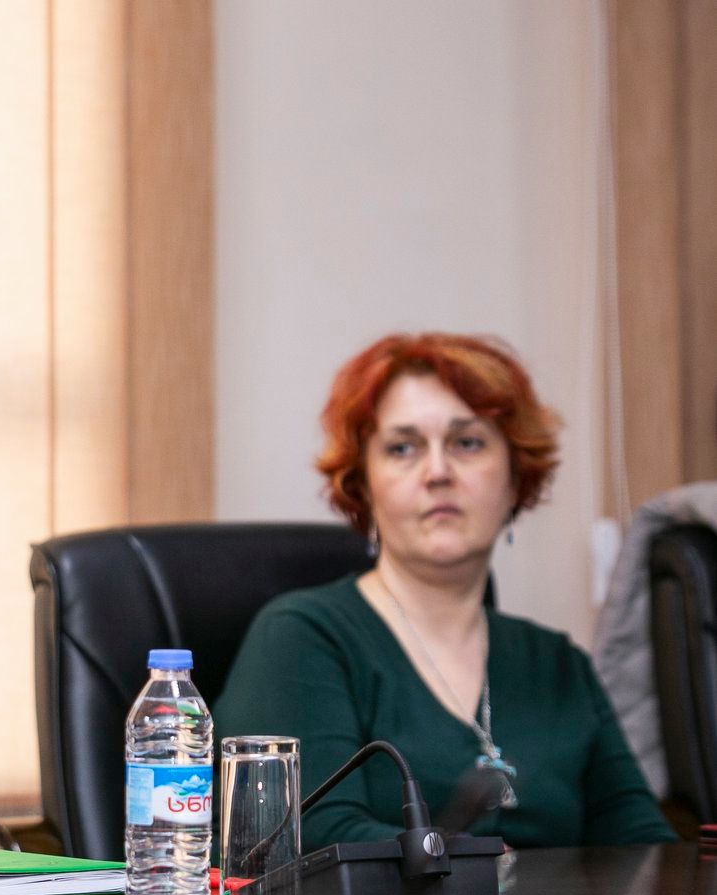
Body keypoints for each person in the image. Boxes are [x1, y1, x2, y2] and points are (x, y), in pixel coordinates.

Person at [216, 333, 673, 849]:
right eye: (402, 448)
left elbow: (647, 856)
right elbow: (307, 842)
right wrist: (490, 870)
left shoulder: (558, 664)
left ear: (515, 479)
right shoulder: (300, 638)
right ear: (364, 486)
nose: (437, 472)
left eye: (467, 443)